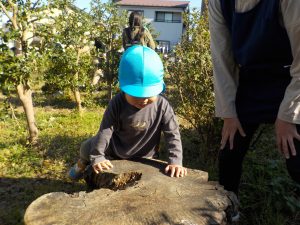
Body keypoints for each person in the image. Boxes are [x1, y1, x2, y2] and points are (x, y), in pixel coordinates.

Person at [208, 0, 300, 195]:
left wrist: (288, 115)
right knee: (229, 153)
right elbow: (221, 57)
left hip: (291, 78)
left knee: (296, 159)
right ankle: (228, 211)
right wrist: (229, 113)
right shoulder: (218, 2)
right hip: (250, 81)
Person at [69, 45, 187, 180]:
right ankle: (81, 164)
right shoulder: (117, 103)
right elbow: (105, 131)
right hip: (114, 150)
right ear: (123, 88)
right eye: (137, 95)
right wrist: (98, 156)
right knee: (86, 147)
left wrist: (176, 161)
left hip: (145, 155)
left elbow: (173, 134)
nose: (144, 100)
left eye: (149, 95)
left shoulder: (162, 105)